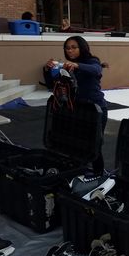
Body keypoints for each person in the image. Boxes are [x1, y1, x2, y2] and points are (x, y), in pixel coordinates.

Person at [45, 36, 108, 176]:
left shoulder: (92, 61)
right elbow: (52, 84)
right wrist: (47, 70)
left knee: (94, 145)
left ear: (82, 47)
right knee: (77, 143)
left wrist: (77, 65)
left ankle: (99, 175)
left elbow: (96, 70)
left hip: (95, 108)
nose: (70, 51)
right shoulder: (67, 65)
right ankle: (79, 172)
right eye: (67, 48)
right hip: (77, 109)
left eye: (74, 47)